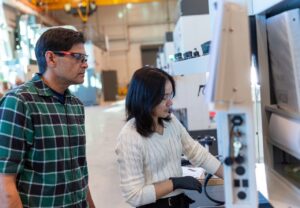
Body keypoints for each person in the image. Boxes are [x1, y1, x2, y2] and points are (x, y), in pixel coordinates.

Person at [0, 27, 95, 208]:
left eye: (85, 59)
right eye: (78, 57)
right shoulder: (20, 102)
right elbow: (4, 181)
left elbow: (79, 170)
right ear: (51, 58)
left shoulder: (75, 105)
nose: (85, 64)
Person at [115, 66, 223, 208]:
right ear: (145, 98)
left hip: (179, 202)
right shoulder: (130, 137)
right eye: (163, 97)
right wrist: (174, 183)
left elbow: (197, 153)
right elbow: (134, 196)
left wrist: (232, 177)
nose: (170, 102)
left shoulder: (171, 122)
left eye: (170, 95)